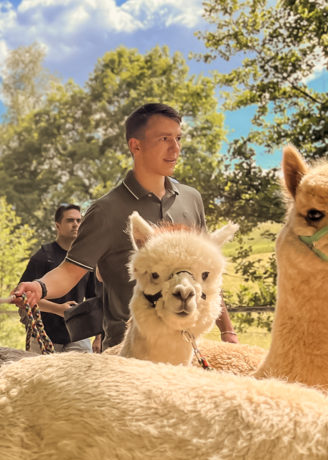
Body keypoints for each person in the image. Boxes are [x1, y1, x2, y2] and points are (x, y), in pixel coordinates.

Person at [13, 102, 237, 349]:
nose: (175, 148)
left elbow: (208, 277)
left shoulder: (192, 199)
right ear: (136, 145)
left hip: (186, 350)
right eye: (164, 139)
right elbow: (69, 272)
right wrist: (39, 287)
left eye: (178, 138)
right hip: (125, 354)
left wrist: (228, 331)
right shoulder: (106, 211)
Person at [17, 203, 99, 352]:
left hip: (78, 336)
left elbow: (94, 299)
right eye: (70, 220)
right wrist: (59, 309)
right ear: (58, 225)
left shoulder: (85, 259)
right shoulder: (43, 257)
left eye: (78, 220)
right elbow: (24, 298)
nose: (75, 224)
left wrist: (99, 336)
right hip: (44, 337)